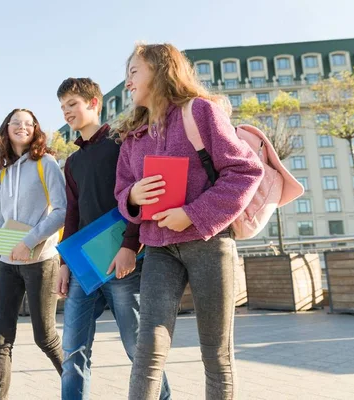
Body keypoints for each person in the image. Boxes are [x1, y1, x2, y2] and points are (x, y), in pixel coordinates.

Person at [113, 43, 264, 400]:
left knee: (216, 352)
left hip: (211, 244)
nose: (128, 83)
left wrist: (192, 214)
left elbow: (245, 170)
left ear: (161, 69)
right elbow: (121, 193)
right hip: (160, 250)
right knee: (148, 348)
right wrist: (132, 195)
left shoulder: (200, 112)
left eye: (134, 72)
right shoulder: (131, 139)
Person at [56, 77, 171, 400]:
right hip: (83, 267)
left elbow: (141, 197)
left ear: (94, 103)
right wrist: (64, 263)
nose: (66, 112)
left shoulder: (122, 143)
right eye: (63, 107)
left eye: (72, 104)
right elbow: (72, 214)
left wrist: (130, 246)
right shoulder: (73, 162)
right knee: (73, 349)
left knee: (138, 347)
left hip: (121, 261)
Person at [0, 108, 67, 400]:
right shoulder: (3, 174)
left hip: (41, 262)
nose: (22, 126)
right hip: (7, 263)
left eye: (28, 123)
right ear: (6, 128)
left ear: (35, 129)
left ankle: (76, 388)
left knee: (45, 337)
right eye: (16, 122)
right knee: (0, 340)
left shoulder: (47, 164)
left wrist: (29, 241)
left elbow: (61, 211)